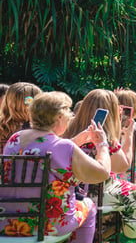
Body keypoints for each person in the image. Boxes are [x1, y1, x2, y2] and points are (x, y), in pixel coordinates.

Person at [0, 91, 111, 242]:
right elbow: (102, 173)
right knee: (89, 206)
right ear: (59, 117)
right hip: (48, 223)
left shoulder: (16, 138)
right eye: (68, 112)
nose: (71, 117)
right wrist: (102, 145)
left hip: (8, 221)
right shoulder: (62, 146)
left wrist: (76, 141)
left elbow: (46, 150)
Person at [64, 89, 136, 239]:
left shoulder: (67, 131)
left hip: (69, 191)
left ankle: (102, 229)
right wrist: (129, 135)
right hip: (99, 193)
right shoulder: (104, 137)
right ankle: (125, 232)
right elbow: (123, 165)